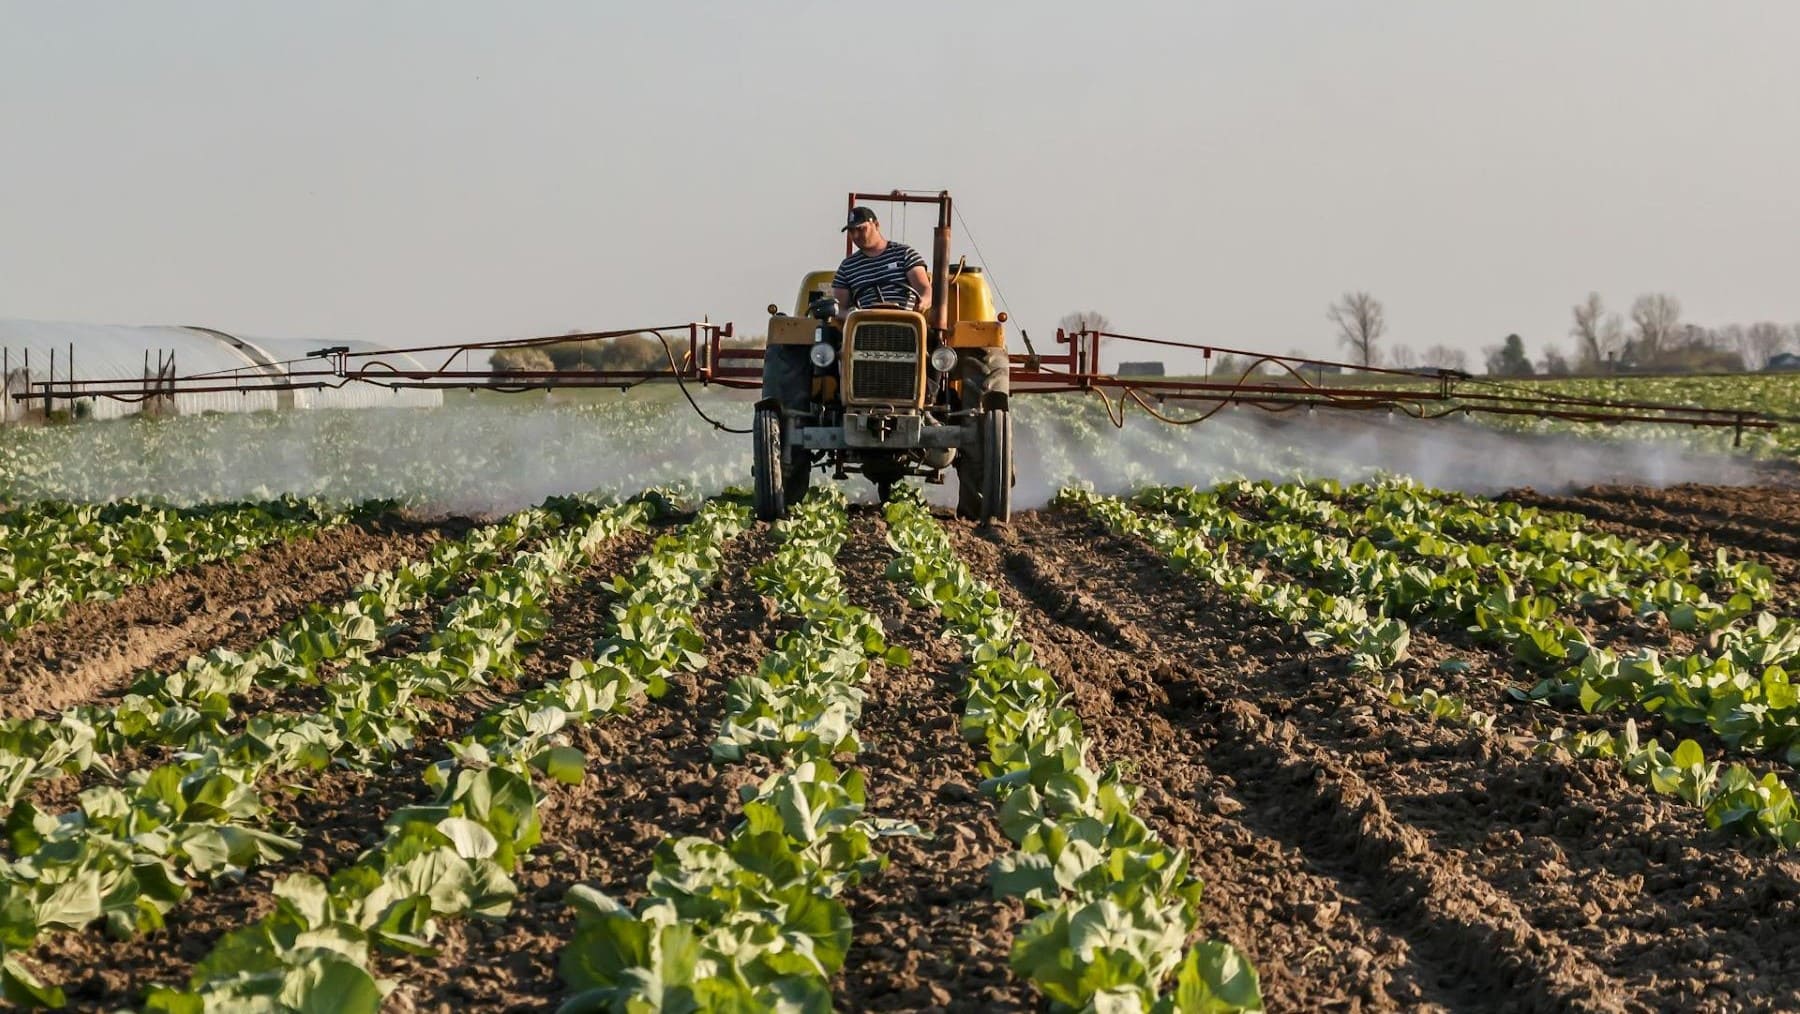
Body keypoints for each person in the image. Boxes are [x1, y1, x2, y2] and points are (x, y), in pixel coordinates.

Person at [831, 207, 933, 314]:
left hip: (904, 320)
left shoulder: (904, 254)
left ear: (876, 225)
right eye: (852, 231)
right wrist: (849, 315)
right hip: (866, 323)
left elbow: (924, 289)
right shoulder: (847, 266)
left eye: (861, 229)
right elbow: (839, 308)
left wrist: (923, 302)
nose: (856, 235)